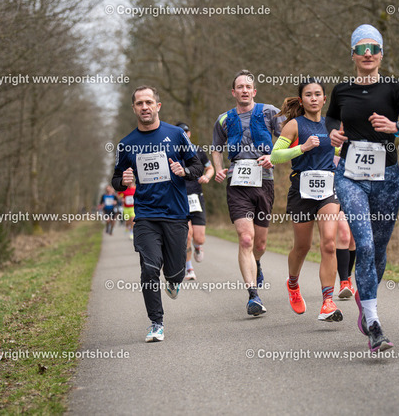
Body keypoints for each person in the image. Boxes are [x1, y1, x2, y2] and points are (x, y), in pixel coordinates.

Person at [329, 24, 399, 352]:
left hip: (387, 178)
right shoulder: (341, 90)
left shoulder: (395, 89)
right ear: (353, 55)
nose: (368, 53)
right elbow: (331, 119)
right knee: (366, 245)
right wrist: (333, 133)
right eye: (362, 48)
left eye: (374, 48)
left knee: (380, 250)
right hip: (350, 176)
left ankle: (365, 300)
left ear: (382, 54)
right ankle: (373, 324)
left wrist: (395, 127)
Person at [112, 85, 204, 342]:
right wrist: (123, 181)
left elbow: (196, 165)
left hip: (175, 214)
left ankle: (174, 280)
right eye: (139, 103)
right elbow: (116, 179)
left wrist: (185, 172)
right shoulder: (126, 144)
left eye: (149, 102)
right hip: (145, 216)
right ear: (134, 108)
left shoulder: (176, 135)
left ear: (157, 106)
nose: (145, 107)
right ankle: (156, 323)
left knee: (175, 273)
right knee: (149, 268)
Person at [212, 69, 283, 316]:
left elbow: (288, 138)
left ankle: (257, 262)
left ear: (254, 91)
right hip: (237, 183)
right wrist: (218, 169)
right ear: (233, 92)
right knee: (245, 239)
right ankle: (253, 296)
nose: (244, 90)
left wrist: (274, 156)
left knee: (260, 244)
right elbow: (216, 149)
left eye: (248, 87)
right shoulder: (224, 119)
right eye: (240, 87)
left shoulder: (270, 112)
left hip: (264, 182)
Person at [271, 79, 343, 321]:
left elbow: (335, 150)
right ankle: (292, 283)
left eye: (318, 94)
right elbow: (275, 156)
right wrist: (302, 148)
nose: (314, 98)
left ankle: (328, 302)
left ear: (325, 99)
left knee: (329, 243)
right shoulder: (294, 125)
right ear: (301, 100)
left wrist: (345, 149)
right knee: (302, 247)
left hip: (328, 190)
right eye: (309, 95)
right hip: (301, 191)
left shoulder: (332, 125)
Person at [176, 122, 215, 281]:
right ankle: (189, 268)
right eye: (181, 132)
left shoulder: (198, 151)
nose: (184, 135)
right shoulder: (171, 152)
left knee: (199, 238)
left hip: (196, 197)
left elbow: (210, 168)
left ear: (189, 134)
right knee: (187, 235)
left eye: (186, 132)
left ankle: (198, 247)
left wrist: (207, 177)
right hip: (179, 198)